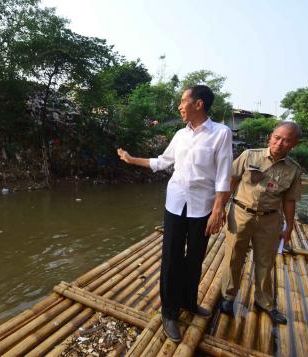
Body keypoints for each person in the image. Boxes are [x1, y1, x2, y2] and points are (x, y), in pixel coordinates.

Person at [117, 85, 233, 342]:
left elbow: (224, 175)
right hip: (175, 204)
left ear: (198, 104)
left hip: (202, 207)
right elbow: (162, 162)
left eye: (183, 101)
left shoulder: (220, 134)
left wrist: (218, 209)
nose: (180, 106)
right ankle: (169, 312)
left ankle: (189, 302)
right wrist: (131, 159)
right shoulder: (180, 135)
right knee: (171, 258)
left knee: (195, 258)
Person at [220, 121, 303, 325]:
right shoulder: (250, 155)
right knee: (234, 256)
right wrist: (220, 207)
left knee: (266, 261)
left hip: (270, 219)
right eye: (277, 138)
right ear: (270, 137)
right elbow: (230, 179)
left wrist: (289, 227)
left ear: (294, 144)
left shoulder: (294, 169)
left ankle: (264, 302)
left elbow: (289, 200)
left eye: (286, 140)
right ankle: (228, 297)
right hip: (240, 212)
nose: (279, 143)